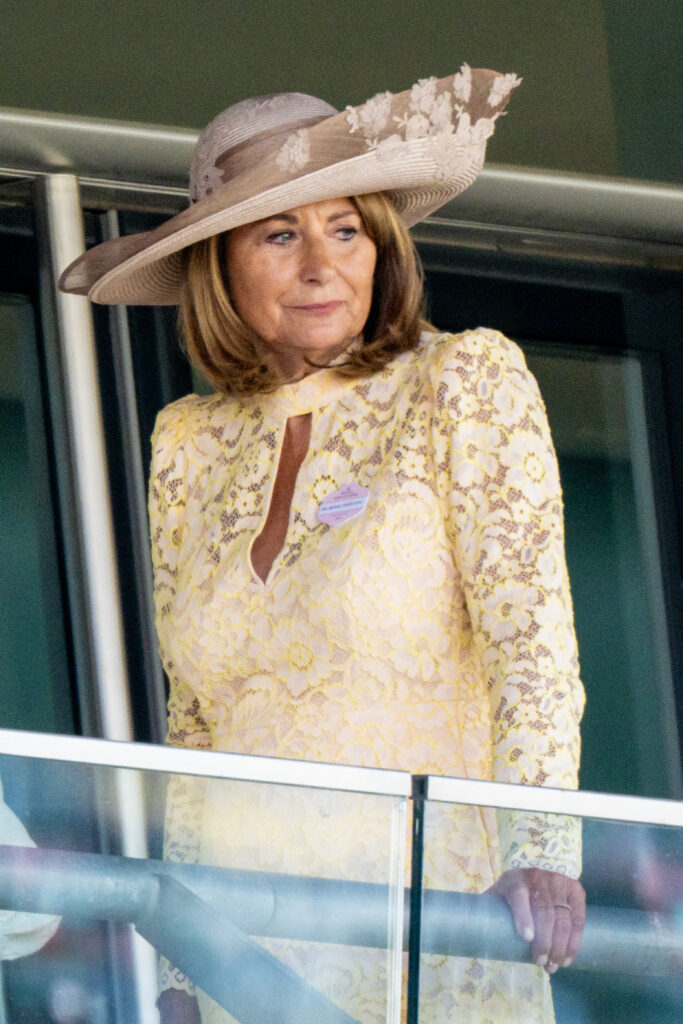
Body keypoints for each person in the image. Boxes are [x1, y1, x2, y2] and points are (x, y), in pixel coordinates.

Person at [60, 67, 586, 1024]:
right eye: (278, 234)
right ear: (219, 263)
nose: (321, 265)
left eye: (345, 229)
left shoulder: (462, 380)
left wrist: (542, 847)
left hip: (428, 925)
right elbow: (199, 729)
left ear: (380, 246)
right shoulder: (186, 443)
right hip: (244, 948)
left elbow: (532, 644)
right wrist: (184, 969)